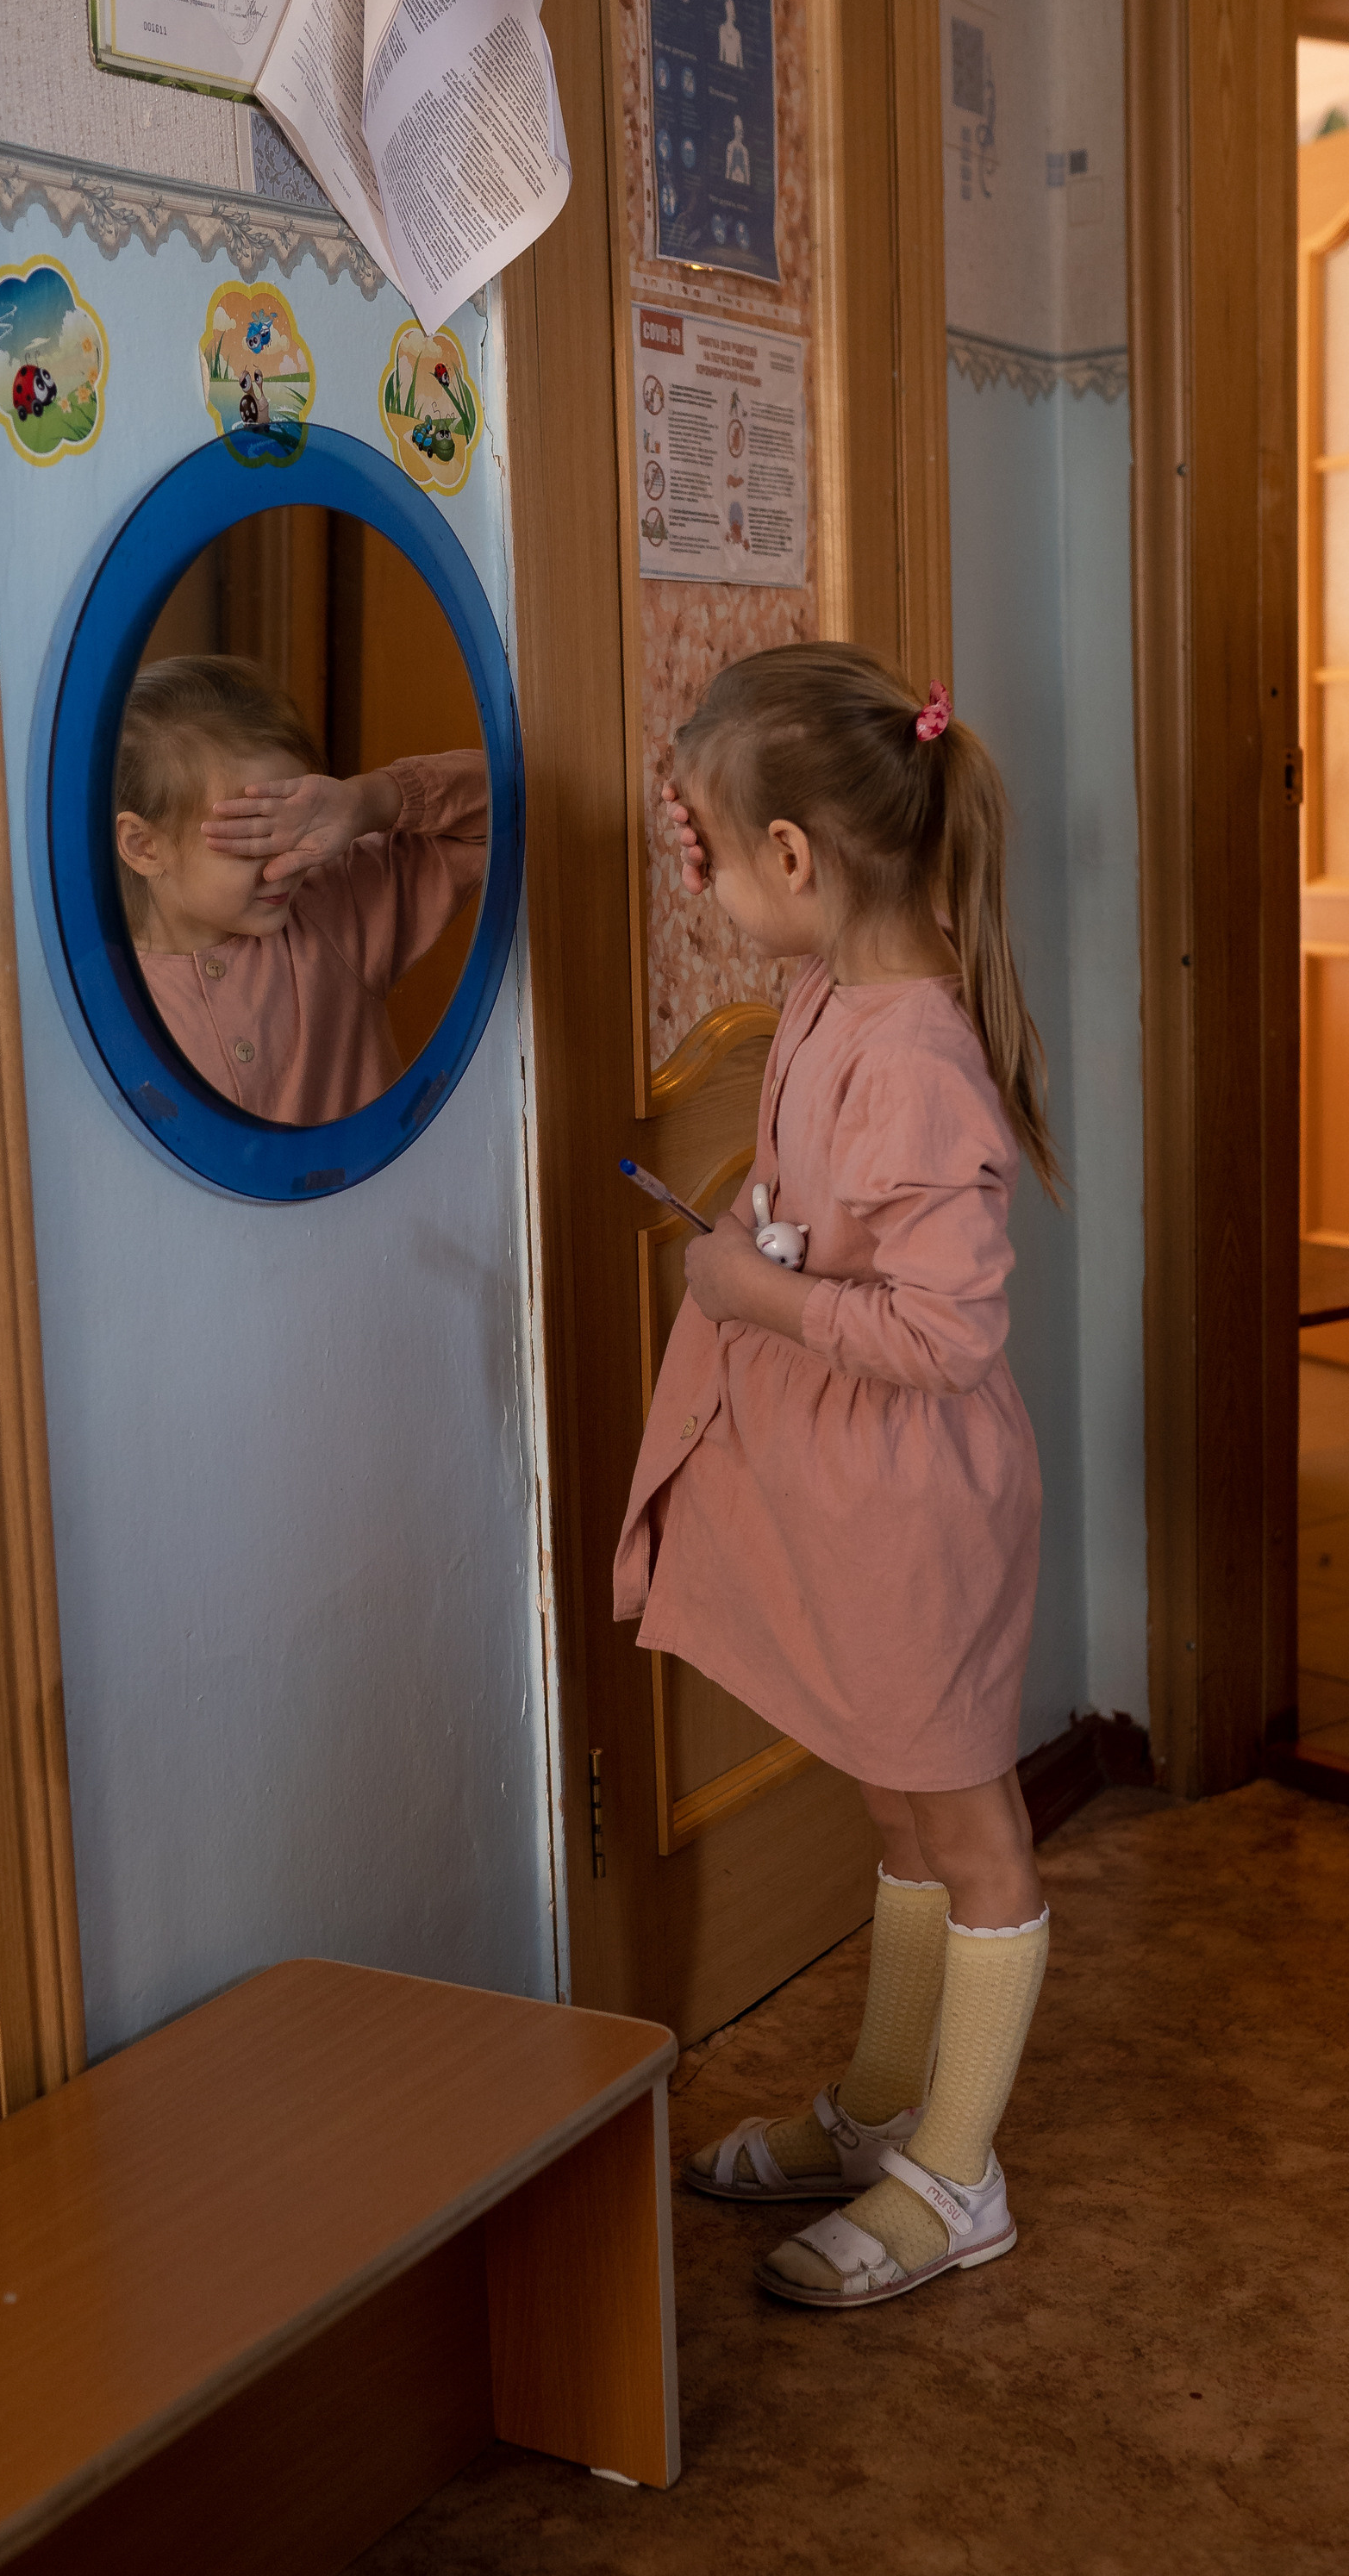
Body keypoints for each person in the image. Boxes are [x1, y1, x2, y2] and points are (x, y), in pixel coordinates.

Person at [615, 642, 1059, 2309]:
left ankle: (957, 2176)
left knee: (970, 1826)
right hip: (854, 1507)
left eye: (716, 857)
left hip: (924, 1514)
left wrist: (752, 1291)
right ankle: (882, 2105)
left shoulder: (917, 1057)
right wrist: (756, 1246)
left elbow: (941, 1334)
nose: (709, 886)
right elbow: (812, 1214)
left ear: (794, 859)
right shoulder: (821, 999)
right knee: (893, 1796)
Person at [113, 655, 485, 1125]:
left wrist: (368, 801)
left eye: (294, 830)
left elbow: (506, 802)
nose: (286, 865)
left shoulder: (337, 904)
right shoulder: (106, 1003)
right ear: (144, 846)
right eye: (255, 840)